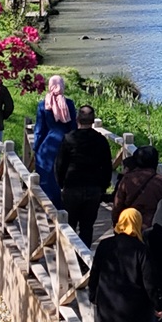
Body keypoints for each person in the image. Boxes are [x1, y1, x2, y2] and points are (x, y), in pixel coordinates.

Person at [86, 208, 160, 322]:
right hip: (132, 307)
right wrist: (159, 305)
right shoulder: (141, 250)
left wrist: (93, 295)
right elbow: (149, 282)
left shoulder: (104, 245)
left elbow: (94, 274)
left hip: (107, 303)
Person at [55, 104, 114, 246]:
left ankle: (69, 258)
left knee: (69, 226)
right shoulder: (101, 141)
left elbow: (60, 164)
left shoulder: (68, 139)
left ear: (77, 119)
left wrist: (61, 184)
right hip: (93, 189)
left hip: (72, 187)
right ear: (93, 121)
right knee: (87, 228)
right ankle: (83, 261)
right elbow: (107, 166)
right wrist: (103, 187)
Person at [32, 75, 77, 210]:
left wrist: (36, 147)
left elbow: (39, 129)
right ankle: (65, 206)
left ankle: (49, 206)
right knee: (66, 174)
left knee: (46, 175)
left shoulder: (44, 104)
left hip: (48, 144)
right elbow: (73, 126)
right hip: (66, 143)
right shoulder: (69, 104)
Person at [112, 144, 162, 225]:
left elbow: (118, 204)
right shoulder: (160, 181)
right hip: (151, 226)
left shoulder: (128, 179)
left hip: (129, 224)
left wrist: (116, 222)